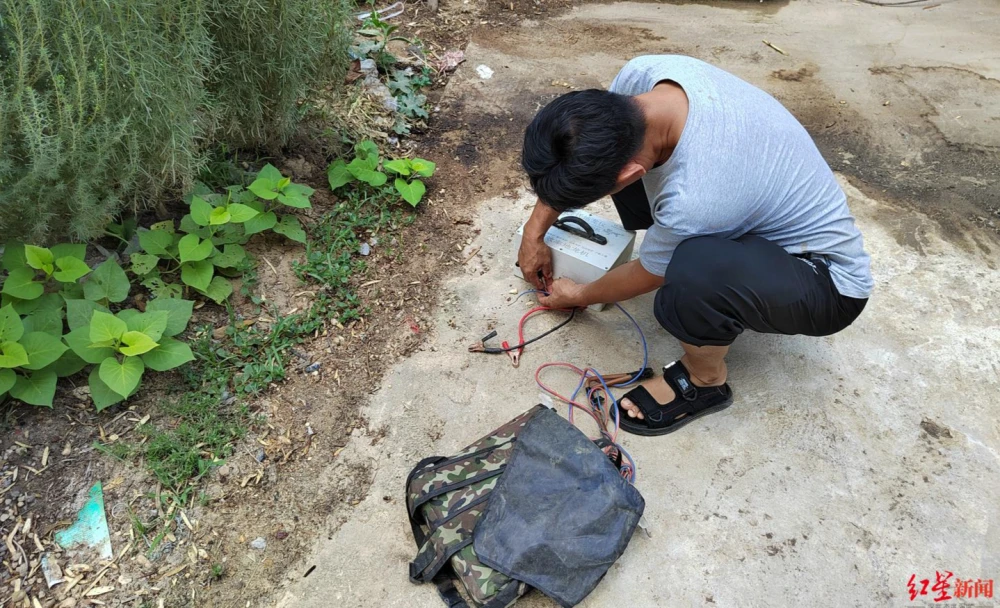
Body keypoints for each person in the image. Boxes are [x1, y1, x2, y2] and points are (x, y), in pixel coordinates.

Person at [517, 55, 872, 437]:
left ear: (630, 175)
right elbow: (576, 150)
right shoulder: (642, 77)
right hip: (751, 217)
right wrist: (533, 232)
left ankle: (705, 380)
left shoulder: (697, 198)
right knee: (672, 226)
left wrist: (579, 294)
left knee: (691, 270)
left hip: (826, 284)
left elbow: (650, 273)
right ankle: (718, 270)